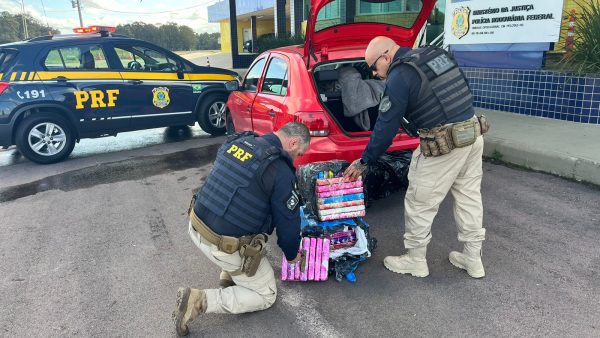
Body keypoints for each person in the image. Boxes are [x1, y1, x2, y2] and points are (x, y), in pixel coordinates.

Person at [344, 36, 488, 279]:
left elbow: (386, 126)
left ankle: (415, 260)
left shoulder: (400, 75)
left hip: (445, 145)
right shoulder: (435, 54)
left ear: (386, 57)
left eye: (373, 67)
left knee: (420, 202)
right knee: (468, 197)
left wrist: (365, 160)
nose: (376, 74)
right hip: (472, 135)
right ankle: (473, 259)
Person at [173, 122, 310, 336]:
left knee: (247, 213)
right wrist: (293, 256)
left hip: (195, 225)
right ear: (293, 142)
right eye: (299, 153)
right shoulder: (280, 170)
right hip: (220, 245)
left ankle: (230, 277)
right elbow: (288, 225)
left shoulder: (238, 141)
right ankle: (198, 301)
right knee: (266, 295)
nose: (297, 158)